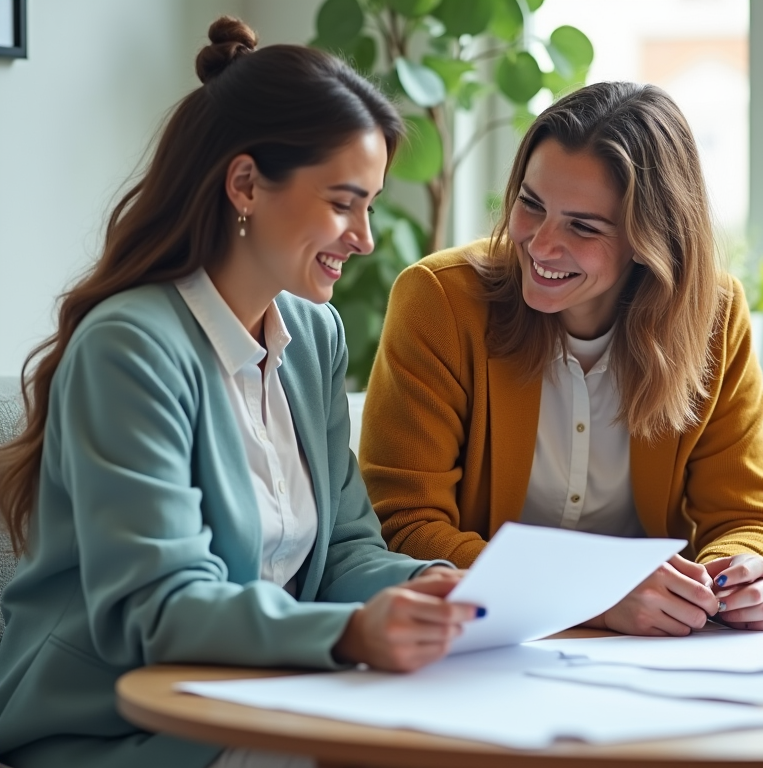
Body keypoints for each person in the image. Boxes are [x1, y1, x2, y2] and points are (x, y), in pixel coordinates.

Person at [0, 18, 481, 768]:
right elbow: (157, 608)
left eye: (370, 206)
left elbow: (345, 552)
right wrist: (349, 635)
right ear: (247, 184)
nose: (363, 237)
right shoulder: (130, 348)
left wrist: (435, 587)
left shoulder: (311, 337)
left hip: (267, 696)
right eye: (343, 202)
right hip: (120, 725)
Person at [360, 81, 763, 638]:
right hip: (489, 610)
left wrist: (743, 571)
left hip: (655, 613)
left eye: (583, 226)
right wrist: (589, 595)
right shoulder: (440, 300)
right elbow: (404, 525)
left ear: (649, 239)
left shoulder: (713, 315)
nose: (541, 245)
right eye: (531, 205)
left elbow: (748, 517)